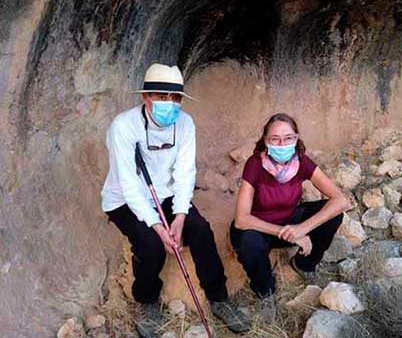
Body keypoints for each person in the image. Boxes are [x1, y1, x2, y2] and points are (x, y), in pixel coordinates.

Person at [101, 63, 250, 336]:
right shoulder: (123, 127)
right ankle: (146, 300)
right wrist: (158, 226)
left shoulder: (185, 123)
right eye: (161, 96)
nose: (169, 103)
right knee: (151, 245)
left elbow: (184, 172)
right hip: (124, 199)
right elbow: (129, 184)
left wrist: (180, 216)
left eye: (175, 98)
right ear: (146, 97)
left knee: (201, 230)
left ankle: (218, 297)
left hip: (167, 194)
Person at [230, 113, 354, 321]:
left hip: (289, 222)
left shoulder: (302, 163)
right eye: (275, 139)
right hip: (260, 229)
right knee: (249, 242)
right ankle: (265, 291)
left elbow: (341, 200)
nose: (282, 144)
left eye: (288, 138)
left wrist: (303, 228)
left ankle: (304, 264)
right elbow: (242, 218)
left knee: (333, 215)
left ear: (296, 138)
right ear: (265, 141)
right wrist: (290, 233)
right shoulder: (254, 164)